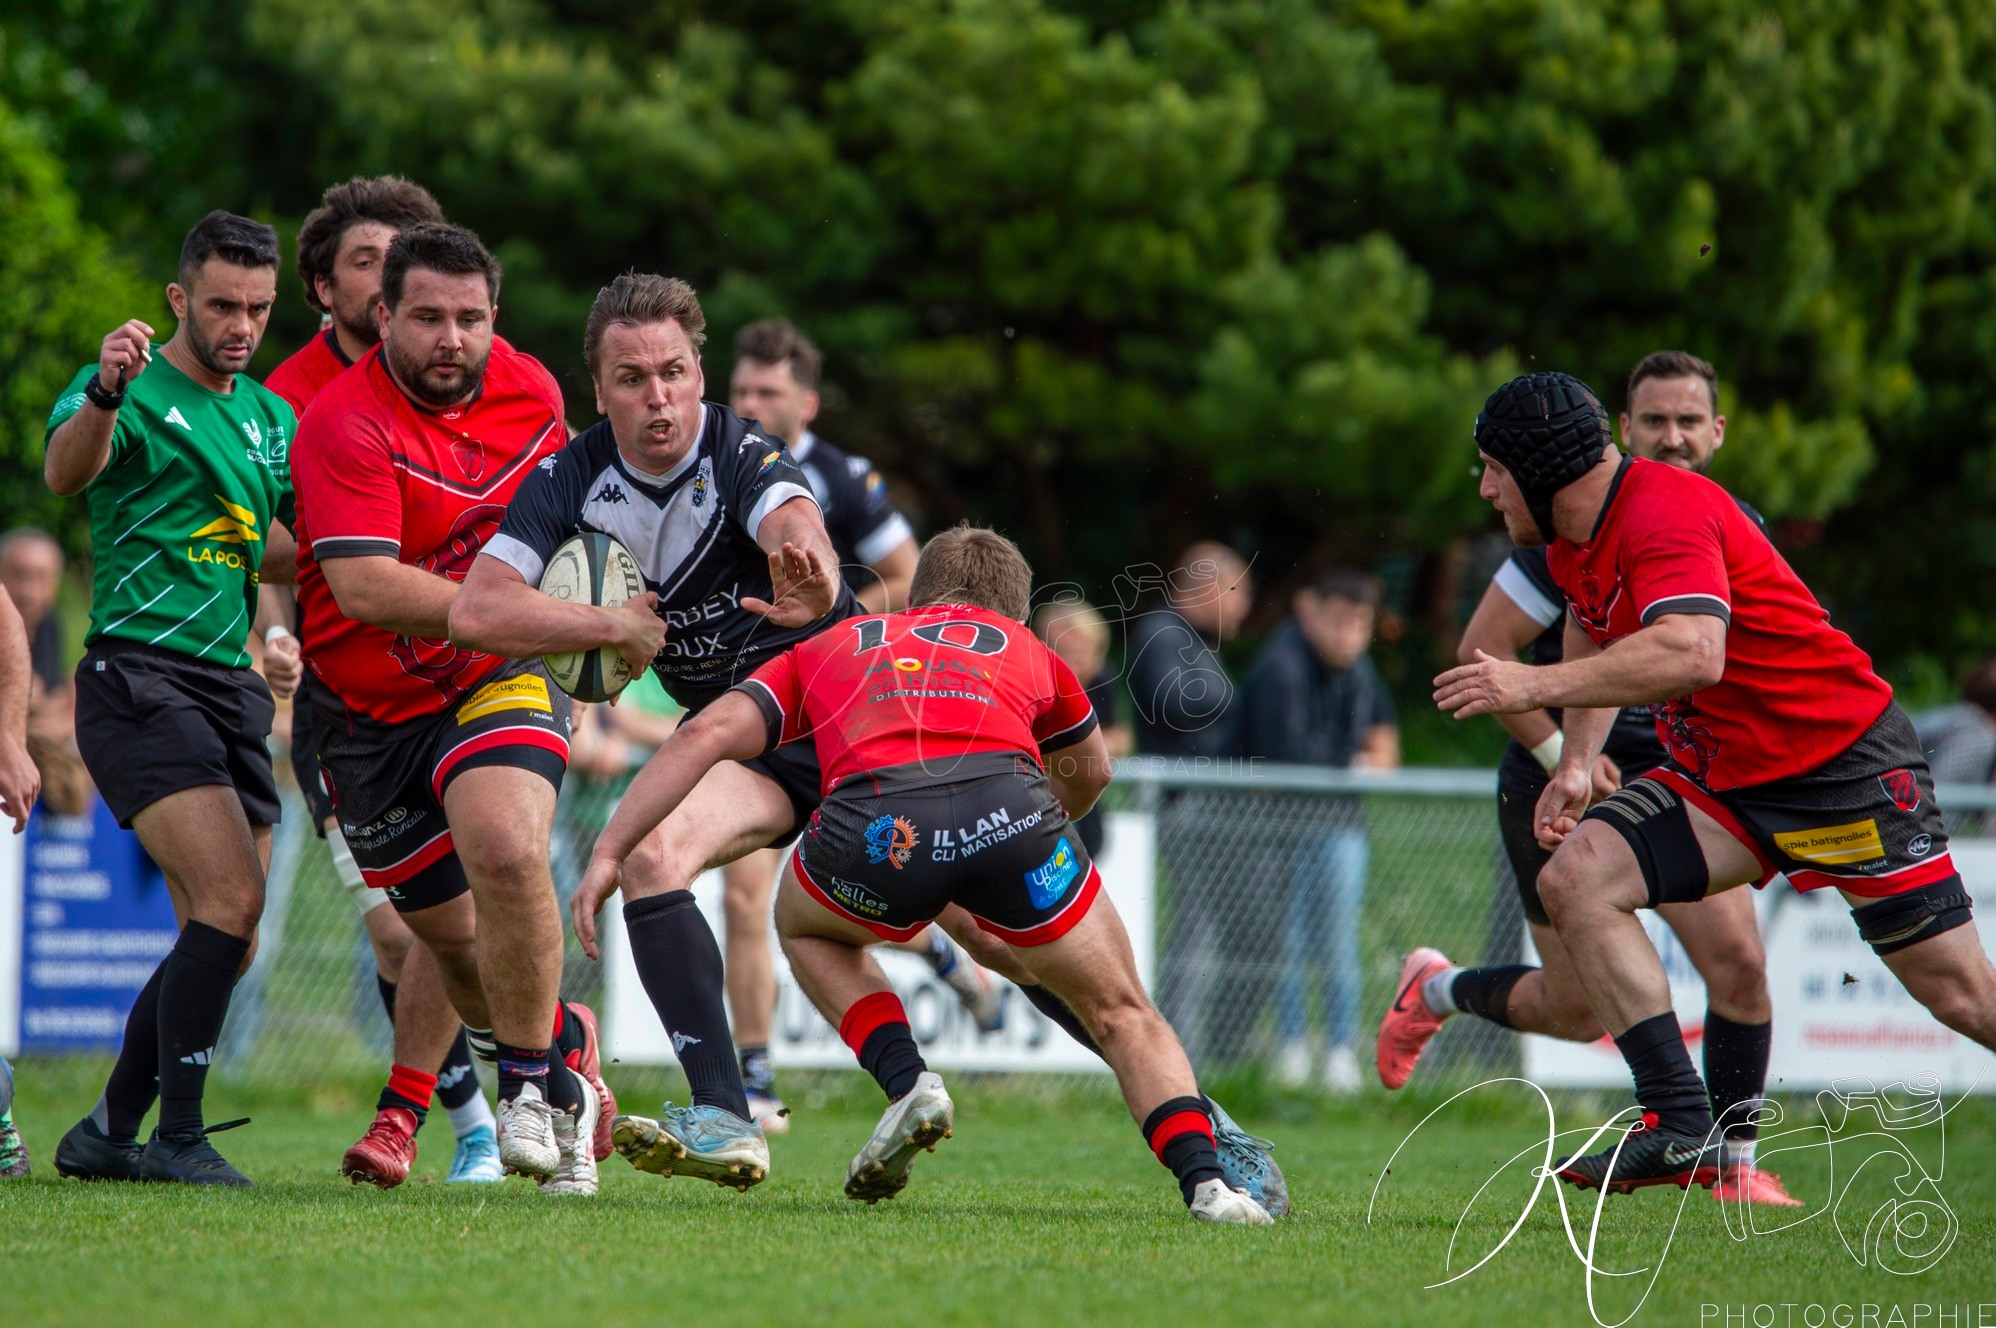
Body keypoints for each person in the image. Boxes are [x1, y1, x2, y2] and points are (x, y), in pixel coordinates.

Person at [575, 525, 1274, 1224]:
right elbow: (1092, 772)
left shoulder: (834, 643)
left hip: (879, 832)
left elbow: (703, 735)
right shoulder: (1031, 650)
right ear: (1016, 613)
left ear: (913, 596)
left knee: (805, 927)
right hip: (1013, 819)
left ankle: (908, 1080)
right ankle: (1210, 1185)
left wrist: (611, 850)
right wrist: (1036, 826)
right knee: (1124, 1011)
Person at [1435, 370, 1996, 1193]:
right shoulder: (1569, 538)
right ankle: (1679, 1123)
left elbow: (1695, 650)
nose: (1485, 489)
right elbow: (1592, 637)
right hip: (1727, 777)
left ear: (1539, 467)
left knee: (1961, 998)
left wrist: (1529, 688)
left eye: (1492, 467)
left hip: (1839, 770)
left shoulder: (1663, 509)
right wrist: (1580, 760)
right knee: (1581, 880)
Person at [451, 272, 848, 1191]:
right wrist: (604, 628)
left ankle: (1192, 1118)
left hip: (842, 718)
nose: (658, 395)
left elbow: (798, 524)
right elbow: (477, 608)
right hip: (745, 748)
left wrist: (815, 580)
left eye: (673, 371)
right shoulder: (573, 476)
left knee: (984, 923)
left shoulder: (743, 453)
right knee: (654, 857)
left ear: (699, 371)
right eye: (632, 378)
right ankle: (725, 1115)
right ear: (600, 389)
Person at [1381, 351, 1797, 1206]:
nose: (1672, 438)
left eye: (1689, 422)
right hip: (1561, 767)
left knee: (1742, 966)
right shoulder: (1562, 520)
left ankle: (1730, 1164)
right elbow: (1481, 659)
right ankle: (1435, 990)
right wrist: (1564, 756)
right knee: (1575, 1013)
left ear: (1719, 433)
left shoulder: (1726, 521)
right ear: (1619, 434)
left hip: (1684, 772)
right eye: (1654, 422)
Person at [292, 222, 621, 1196]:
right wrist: (535, 609)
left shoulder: (535, 393)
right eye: (427, 316)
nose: (452, 338)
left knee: (509, 848)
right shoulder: (340, 420)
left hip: (496, 674)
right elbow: (363, 587)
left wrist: (583, 614)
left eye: (471, 318)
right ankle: (564, 1052)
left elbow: (566, 529)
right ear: (382, 314)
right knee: (455, 945)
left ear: (496, 319)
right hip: (368, 711)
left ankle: (529, 1090)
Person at [44, 211, 301, 1187]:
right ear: (178, 298)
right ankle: (179, 1136)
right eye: (225, 304)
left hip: (229, 683)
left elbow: (268, 542)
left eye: (260, 308)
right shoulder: (128, 385)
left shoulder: (272, 416)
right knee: (229, 901)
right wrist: (106, 387)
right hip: (138, 673)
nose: (242, 324)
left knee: (225, 936)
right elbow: (67, 471)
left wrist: (346, 572)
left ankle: (110, 1125)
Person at [264, 176, 502, 1185]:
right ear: (326, 285)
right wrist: (273, 632)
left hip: (464, 680)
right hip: (343, 700)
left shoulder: (478, 385)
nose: (388, 273)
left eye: (402, 256)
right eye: (367, 259)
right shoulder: (287, 401)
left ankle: (466, 1119)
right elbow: (263, 541)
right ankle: (503, 1086)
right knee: (403, 937)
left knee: (458, 911)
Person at [723, 317, 992, 1130]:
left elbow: (909, 578)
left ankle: (952, 951)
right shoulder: (710, 467)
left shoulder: (841, 477)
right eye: (739, 390)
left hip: (842, 708)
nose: (751, 404)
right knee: (744, 897)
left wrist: (832, 630)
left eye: (768, 392)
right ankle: (757, 1079)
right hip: (754, 705)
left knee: (885, 879)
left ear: (806, 401)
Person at [1236, 571, 1398, 1094]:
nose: (1348, 635)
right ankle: (1290, 1047)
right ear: (1312, 617)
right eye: (1339, 622)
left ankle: (1339, 1053)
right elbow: (1288, 759)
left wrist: (1354, 763)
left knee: (1337, 941)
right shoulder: (1280, 666)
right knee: (1288, 939)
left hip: (1340, 826)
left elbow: (1385, 748)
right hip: (1278, 830)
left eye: (1359, 624)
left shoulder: (1362, 671)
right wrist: (1353, 763)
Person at [1125, 542, 1257, 1064]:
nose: (1246, 604)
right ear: (1207, 586)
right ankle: (1178, 1051)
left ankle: (1209, 1050)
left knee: (1218, 927)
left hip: (1207, 805)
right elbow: (1172, 701)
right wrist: (1245, 712)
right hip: (1184, 804)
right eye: (1239, 590)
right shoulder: (1162, 631)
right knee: (1196, 926)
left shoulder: (1195, 639)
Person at [1032, 598, 1134, 862]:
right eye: (1064, 651)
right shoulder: (1034, 677)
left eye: (1085, 653)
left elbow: (1121, 737)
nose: (1075, 664)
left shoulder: (1101, 679)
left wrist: (1080, 749)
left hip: (1075, 793)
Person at [1, 529, 73, 743]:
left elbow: (51, 688)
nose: (29, 592)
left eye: (41, 578)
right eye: (19, 575)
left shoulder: (48, 621)